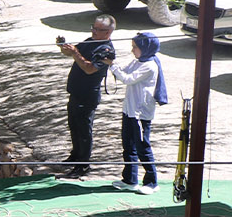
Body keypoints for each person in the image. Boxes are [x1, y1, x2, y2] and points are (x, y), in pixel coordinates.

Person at [57, 15, 116, 179]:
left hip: (87, 95)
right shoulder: (90, 41)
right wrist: (63, 47)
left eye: (98, 30)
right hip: (75, 92)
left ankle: (83, 165)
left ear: (108, 32)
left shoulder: (106, 50)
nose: (94, 32)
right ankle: (75, 157)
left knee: (84, 131)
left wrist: (75, 52)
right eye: (93, 27)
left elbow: (89, 68)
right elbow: (71, 52)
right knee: (74, 127)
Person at [108, 32, 166, 194]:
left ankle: (152, 182)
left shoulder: (149, 65)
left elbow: (128, 79)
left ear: (145, 48)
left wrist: (112, 65)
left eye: (135, 47)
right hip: (129, 111)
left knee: (142, 147)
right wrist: (112, 62)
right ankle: (130, 180)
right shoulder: (138, 61)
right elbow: (123, 71)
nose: (132, 50)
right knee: (128, 146)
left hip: (140, 114)